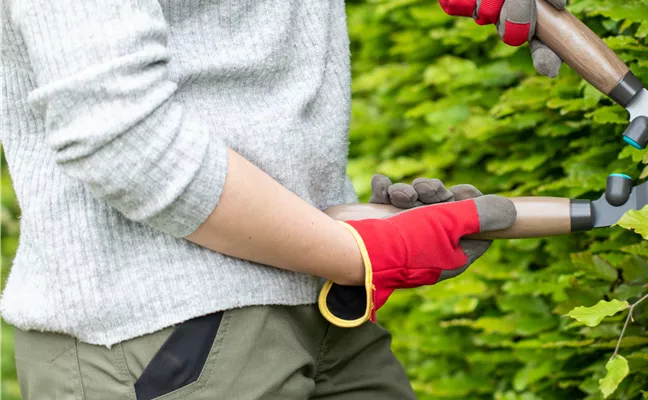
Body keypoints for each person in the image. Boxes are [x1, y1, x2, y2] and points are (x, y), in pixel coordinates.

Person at [0, 0, 564, 398]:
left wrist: (330, 232)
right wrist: (359, 253)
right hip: (157, 329)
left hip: (315, 304)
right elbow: (119, 135)